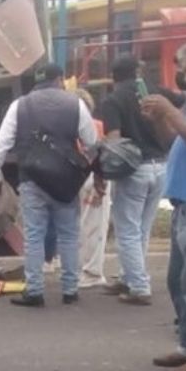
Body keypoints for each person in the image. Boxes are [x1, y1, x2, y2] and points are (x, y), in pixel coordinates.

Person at [0, 63, 98, 307]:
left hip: (32, 179)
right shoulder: (75, 104)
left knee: (34, 236)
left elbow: (1, 144)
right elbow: (92, 143)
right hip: (65, 183)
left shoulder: (20, 106)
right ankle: (70, 289)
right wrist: (87, 171)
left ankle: (35, 291)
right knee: (69, 235)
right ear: (59, 79)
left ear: (36, 82)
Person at [142, 38, 186, 371]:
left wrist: (170, 111)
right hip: (183, 205)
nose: (185, 77)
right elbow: (177, 142)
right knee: (178, 281)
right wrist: (160, 120)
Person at [100, 55, 169, 305]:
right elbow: (180, 103)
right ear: (137, 71)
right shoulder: (153, 92)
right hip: (161, 166)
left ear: (113, 76)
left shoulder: (113, 99)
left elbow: (114, 140)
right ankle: (129, 276)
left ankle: (139, 286)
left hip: (134, 170)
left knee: (127, 230)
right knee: (142, 228)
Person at [74, 88, 111, 290]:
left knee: (80, 225)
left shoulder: (69, 127)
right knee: (96, 226)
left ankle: (85, 270)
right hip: (99, 176)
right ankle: (92, 271)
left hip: (79, 177)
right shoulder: (98, 126)